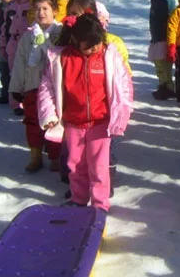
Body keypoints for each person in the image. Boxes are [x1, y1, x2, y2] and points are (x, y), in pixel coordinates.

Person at [38, 13, 133, 212]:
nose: (93, 49)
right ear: (75, 40)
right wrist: (49, 114)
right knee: (76, 164)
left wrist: (121, 115)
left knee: (99, 167)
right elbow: (47, 87)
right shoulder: (62, 58)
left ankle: (100, 205)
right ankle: (78, 199)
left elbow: (123, 87)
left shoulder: (110, 57)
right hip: (73, 122)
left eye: (96, 44)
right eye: (87, 46)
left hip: (100, 122)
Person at [9, 0, 63, 172]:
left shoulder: (61, 33)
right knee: (32, 121)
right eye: (37, 9)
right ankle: (35, 155)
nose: (41, 13)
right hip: (32, 85)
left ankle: (55, 157)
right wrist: (16, 87)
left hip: (55, 88)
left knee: (53, 122)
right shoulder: (28, 36)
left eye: (45, 8)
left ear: (54, 10)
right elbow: (19, 63)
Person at [1, 0, 35, 115]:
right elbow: (5, 25)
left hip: (27, 44)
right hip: (12, 44)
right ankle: (14, 103)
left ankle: (27, 102)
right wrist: (3, 43)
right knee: (13, 74)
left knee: (27, 74)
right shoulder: (12, 5)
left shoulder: (33, 5)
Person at [148, 0, 177, 100]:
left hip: (161, 37)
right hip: (164, 36)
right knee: (165, 65)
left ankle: (164, 87)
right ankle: (168, 86)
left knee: (161, 64)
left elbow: (161, 19)